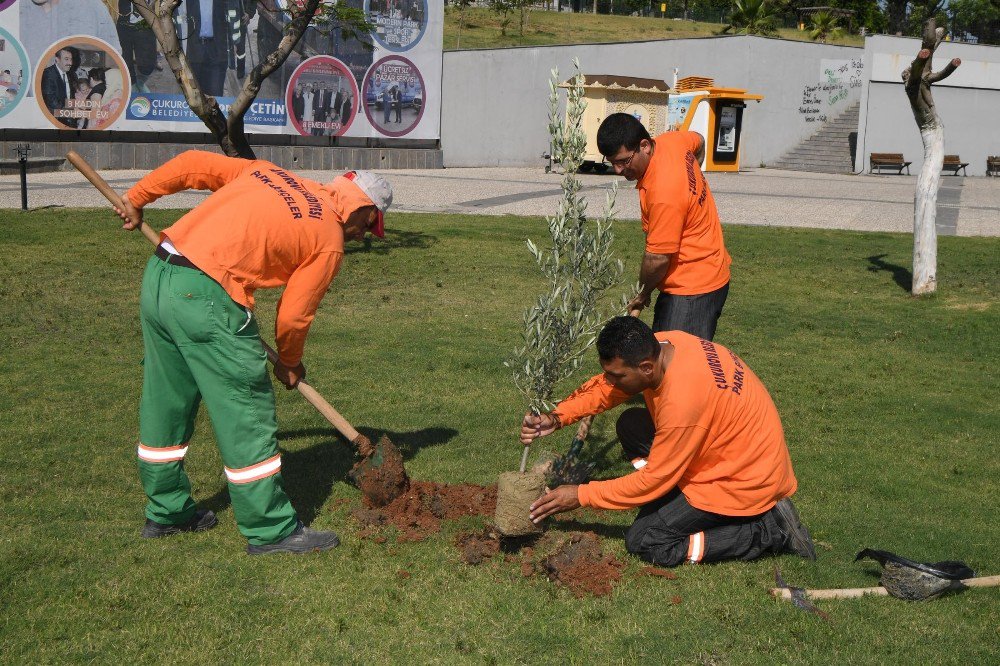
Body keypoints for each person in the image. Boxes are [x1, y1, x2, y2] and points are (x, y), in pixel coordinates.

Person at [112, 151, 393, 555]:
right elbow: (294, 316)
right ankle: (272, 529)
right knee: (246, 409)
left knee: (165, 402)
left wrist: (138, 197)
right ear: (360, 207)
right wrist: (290, 363)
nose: (364, 235)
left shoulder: (269, 173)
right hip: (207, 296)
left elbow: (193, 163)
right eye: (369, 225)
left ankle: (168, 511)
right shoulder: (328, 239)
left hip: (161, 275)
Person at [522, 316, 816, 568]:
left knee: (646, 539)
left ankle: (767, 530)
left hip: (741, 480)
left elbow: (654, 480)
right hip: (734, 450)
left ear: (647, 368)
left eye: (617, 375)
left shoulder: (682, 404)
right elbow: (606, 389)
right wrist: (557, 417)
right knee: (631, 425)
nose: (610, 381)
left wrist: (581, 495)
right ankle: (676, 497)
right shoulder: (668, 343)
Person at [597, 113, 731, 341]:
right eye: (612, 163)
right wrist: (692, 175)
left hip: (692, 290)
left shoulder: (664, 193)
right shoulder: (672, 141)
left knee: (677, 366)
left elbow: (657, 259)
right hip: (706, 274)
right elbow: (699, 139)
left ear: (644, 145)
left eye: (623, 161)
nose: (618, 170)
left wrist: (641, 294)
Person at [40, 47, 77, 128]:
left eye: (71, 59)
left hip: (68, 119)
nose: (70, 63)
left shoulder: (71, 74)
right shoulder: (48, 73)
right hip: (54, 119)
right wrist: (69, 112)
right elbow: (50, 99)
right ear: (57, 59)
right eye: (66, 59)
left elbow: (69, 96)